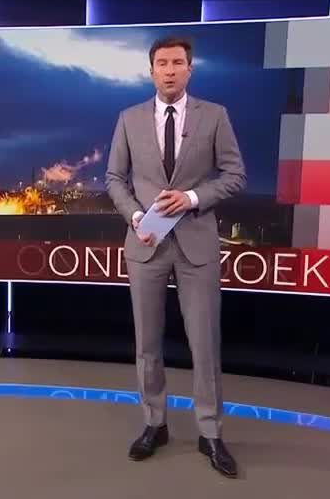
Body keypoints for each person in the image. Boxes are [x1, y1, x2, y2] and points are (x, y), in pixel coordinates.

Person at [105, 37, 246, 478]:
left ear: (190, 69)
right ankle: (155, 424)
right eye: (162, 63)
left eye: (177, 63)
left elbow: (235, 175)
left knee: (205, 343)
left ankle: (210, 432)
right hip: (146, 245)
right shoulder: (128, 119)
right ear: (151, 71)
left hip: (196, 245)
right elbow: (114, 178)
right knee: (147, 343)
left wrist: (191, 197)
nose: (169, 70)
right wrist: (134, 215)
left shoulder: (215, 116)